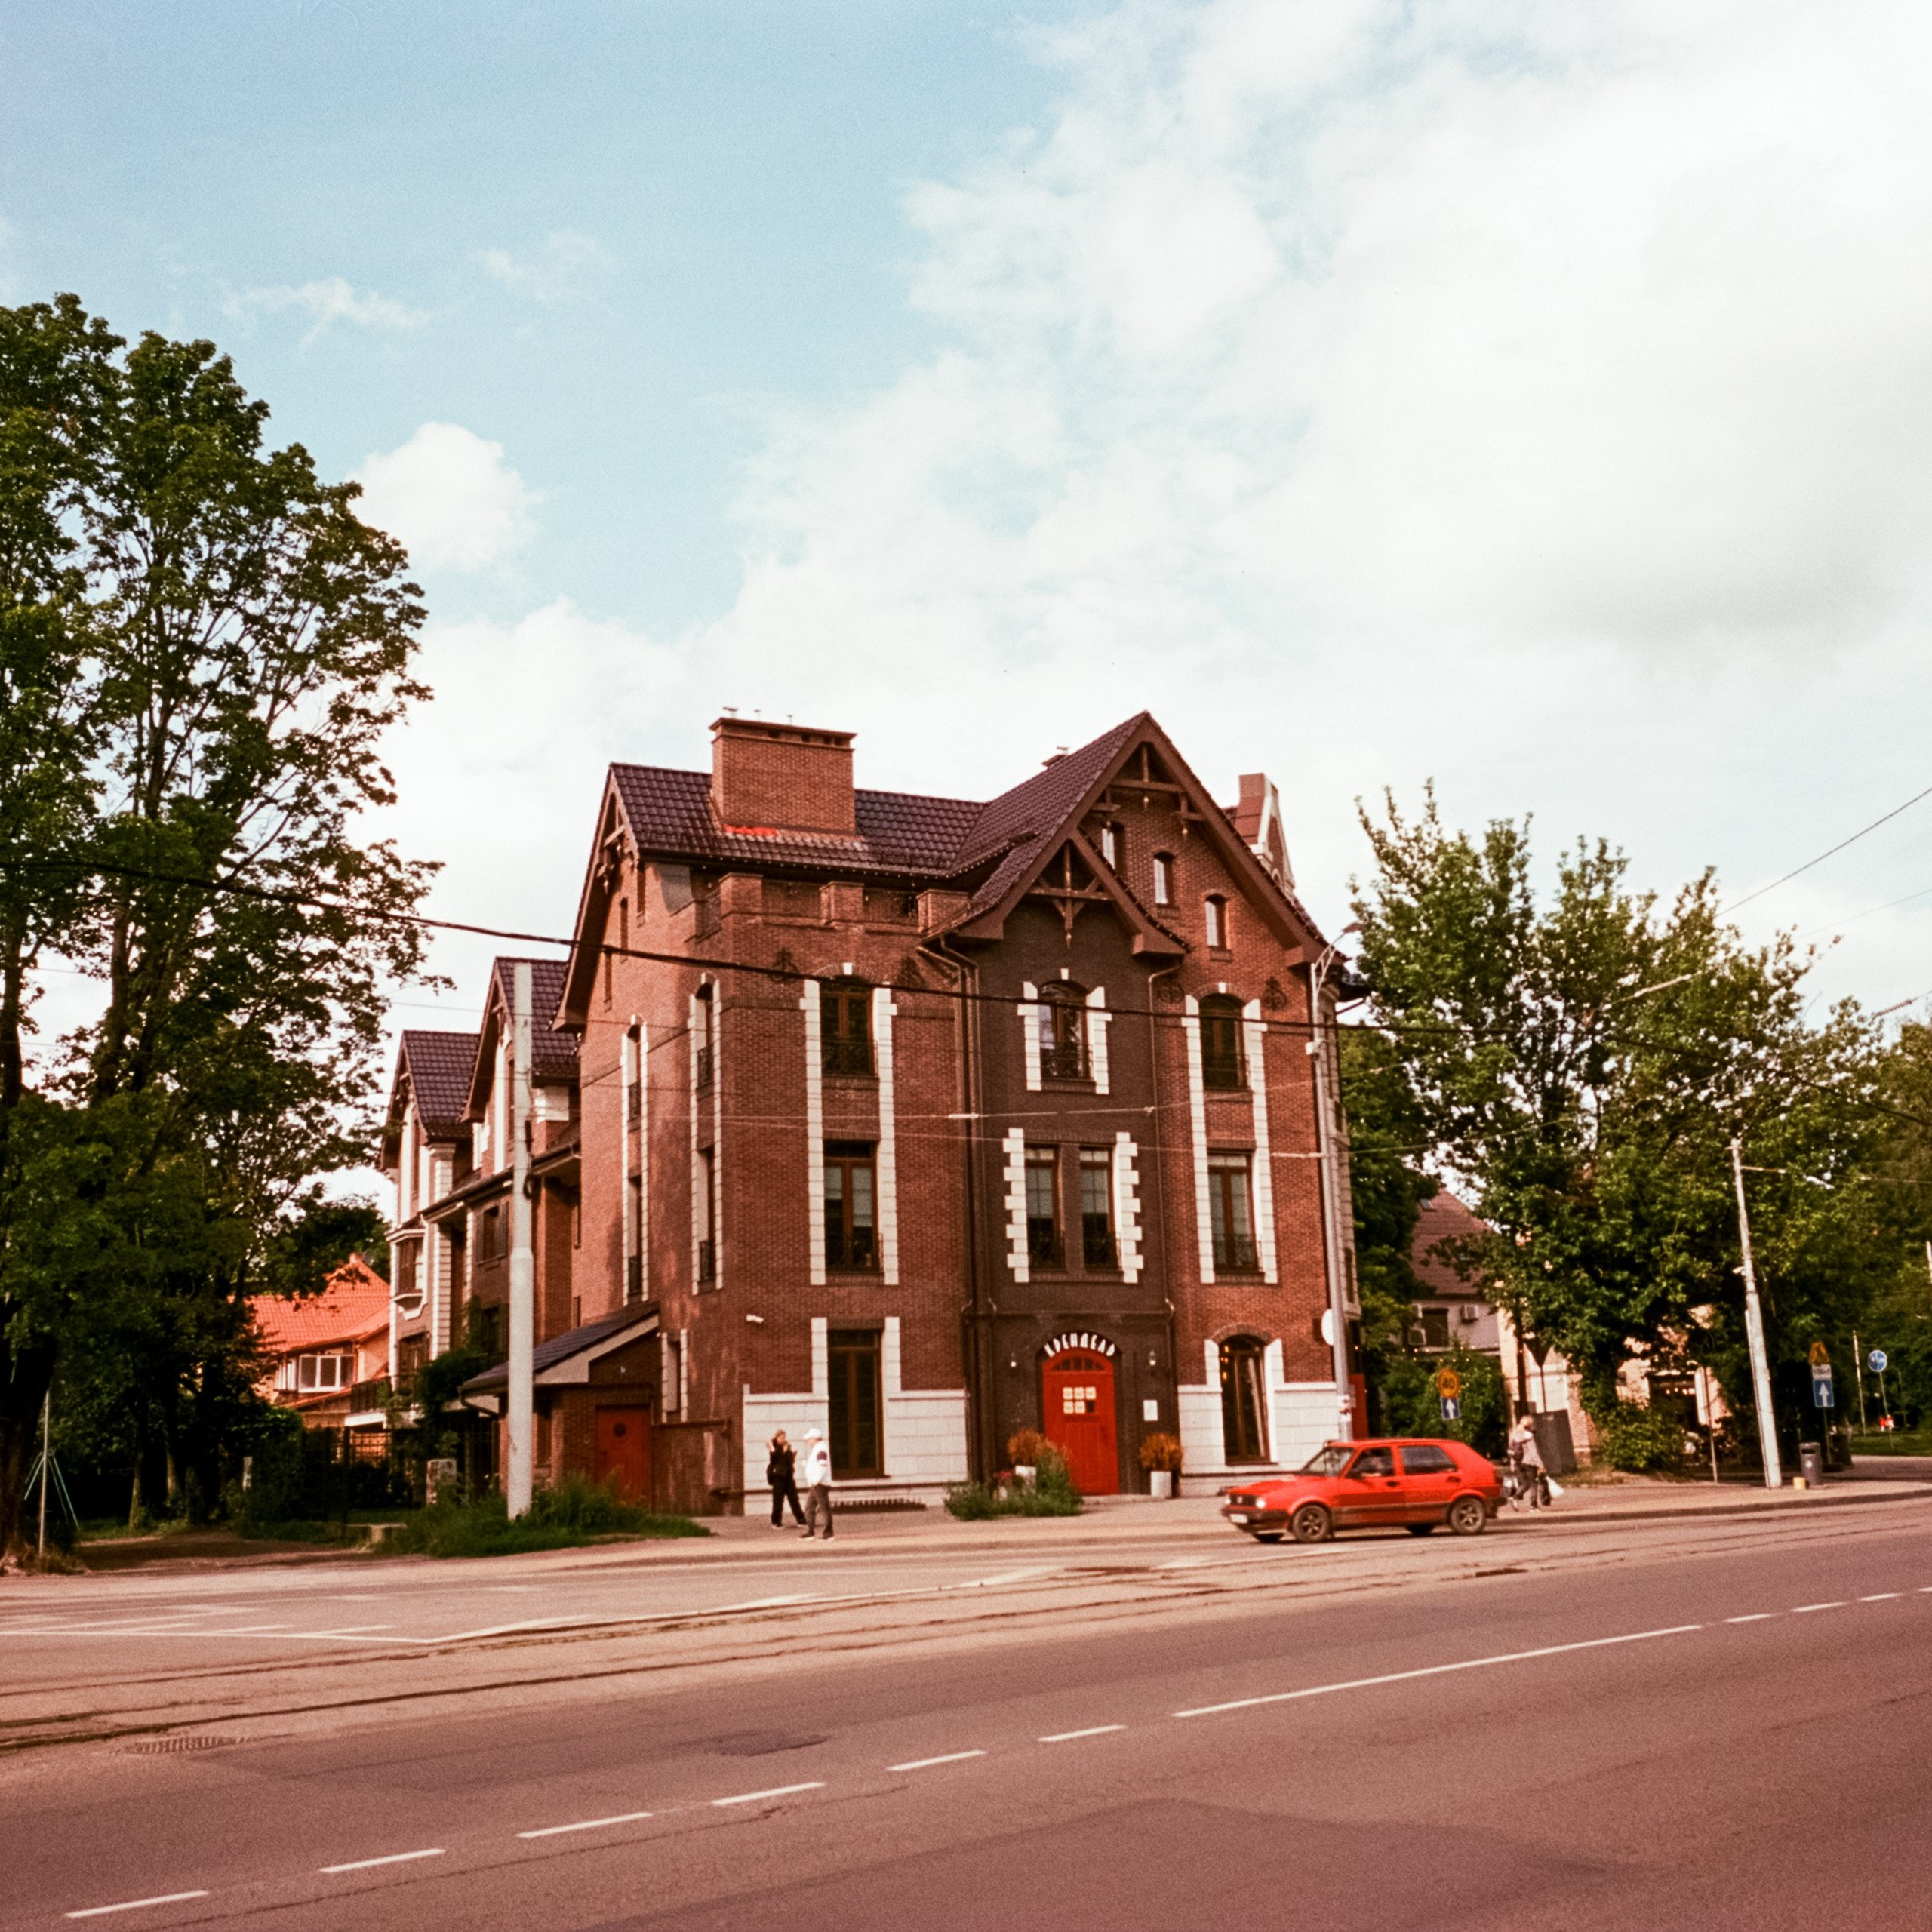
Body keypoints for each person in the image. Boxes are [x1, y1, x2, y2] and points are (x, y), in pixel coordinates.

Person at [766, 1429, 805, 1530]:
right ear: (777, 1438)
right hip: (778, 1477)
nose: (784, 1440)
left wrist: (792, 1454)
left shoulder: (787, 1447)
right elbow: (775, 1458)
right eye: (782, 1438)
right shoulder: (774, 1447)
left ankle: (801, 1519)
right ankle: (776, 1521)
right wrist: (774, 1447)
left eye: (784, 1437)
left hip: (788, 1476)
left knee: (794, 1498)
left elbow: (790, 1461)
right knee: (778, 1500)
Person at [1508, 1413, 1548, 1510]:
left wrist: (1513, 1463)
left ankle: (1514, 1497)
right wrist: (1541, 1465)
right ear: (1529, 1425)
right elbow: (1533, 1452)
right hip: (1529, 1462)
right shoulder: (1529, 1436)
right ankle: (1533, 1507)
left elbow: (1511, 1450)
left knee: (1525, 1484)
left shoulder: (1516, 1435)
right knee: (1534, 1484)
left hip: (1519, 1463)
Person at [800, 1427, 834, 1540]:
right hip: (816, 1484)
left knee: (822, 1508)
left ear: (815, 1439)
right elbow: (819, 1465)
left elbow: (822, 1466)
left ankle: (828, 1533)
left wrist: (816, 1480)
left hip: (819, 1484)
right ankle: (811, 1532)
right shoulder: (818, 1449)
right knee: (810, 1508)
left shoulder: (821, 1449)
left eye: (809, 1439)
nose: (808, 1442)